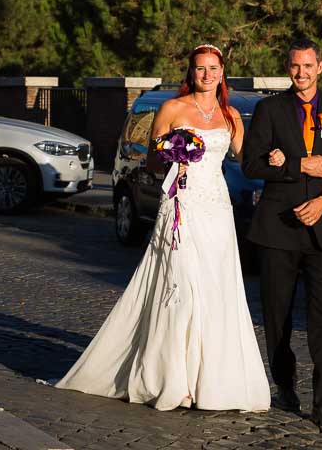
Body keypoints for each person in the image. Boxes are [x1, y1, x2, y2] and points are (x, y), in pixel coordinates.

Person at [57, 44, 270, 413]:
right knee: (182, 284)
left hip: (216, 209)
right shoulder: (172, 109)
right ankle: (175, 379)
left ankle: (211, 379)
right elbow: (153, 161)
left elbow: (246, 161)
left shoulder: (231, 115)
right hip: (181, 204)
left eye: (213, 68)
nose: (207, 74)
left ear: (223, 72)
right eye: (200, 68)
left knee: (215, 286)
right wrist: (175, 154)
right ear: (191, 72)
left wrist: (275, 158)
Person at [242, 37, 322, 436]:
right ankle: (285, 385)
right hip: (278, 231)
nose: (301, 73)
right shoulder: (269, 110)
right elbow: (251, 164)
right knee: (278, 319)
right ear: (288, 67)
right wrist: (297, 165)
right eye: (295, 66)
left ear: (320, 67)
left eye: (308, 66)